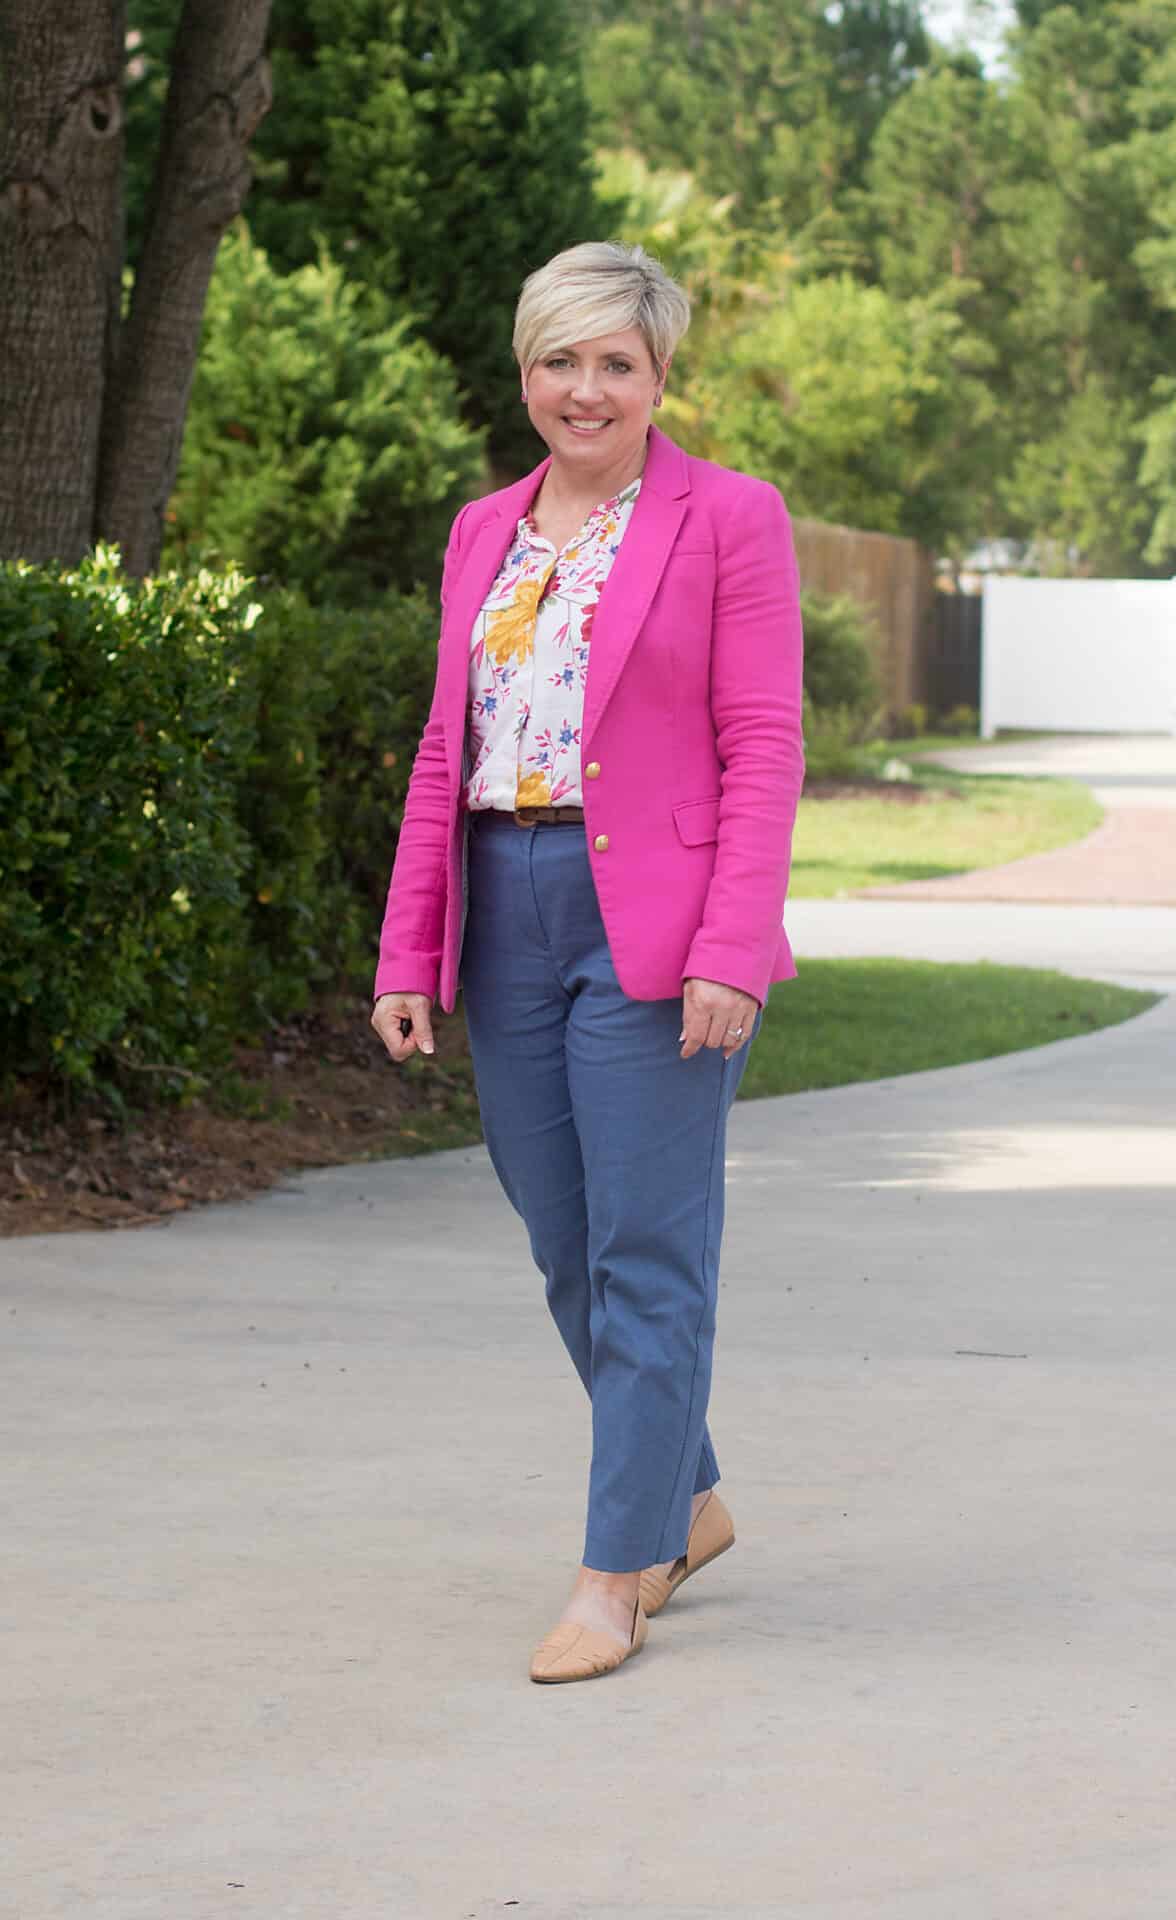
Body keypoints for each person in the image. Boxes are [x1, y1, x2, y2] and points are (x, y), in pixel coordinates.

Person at [370, 242, 805, 1684]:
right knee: (566, 1240)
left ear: (659, 376)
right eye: (561, 358)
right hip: (507, 907)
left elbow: (763, 747)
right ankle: (688, 1493)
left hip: (660, 925)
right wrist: (408, 946)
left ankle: (620, 1569)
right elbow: (449, 749)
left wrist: (733, 947)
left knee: (646, 1249)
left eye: (617, 362)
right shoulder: (482, 528)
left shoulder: (731, 519)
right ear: (525, 370)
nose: (585, 388)